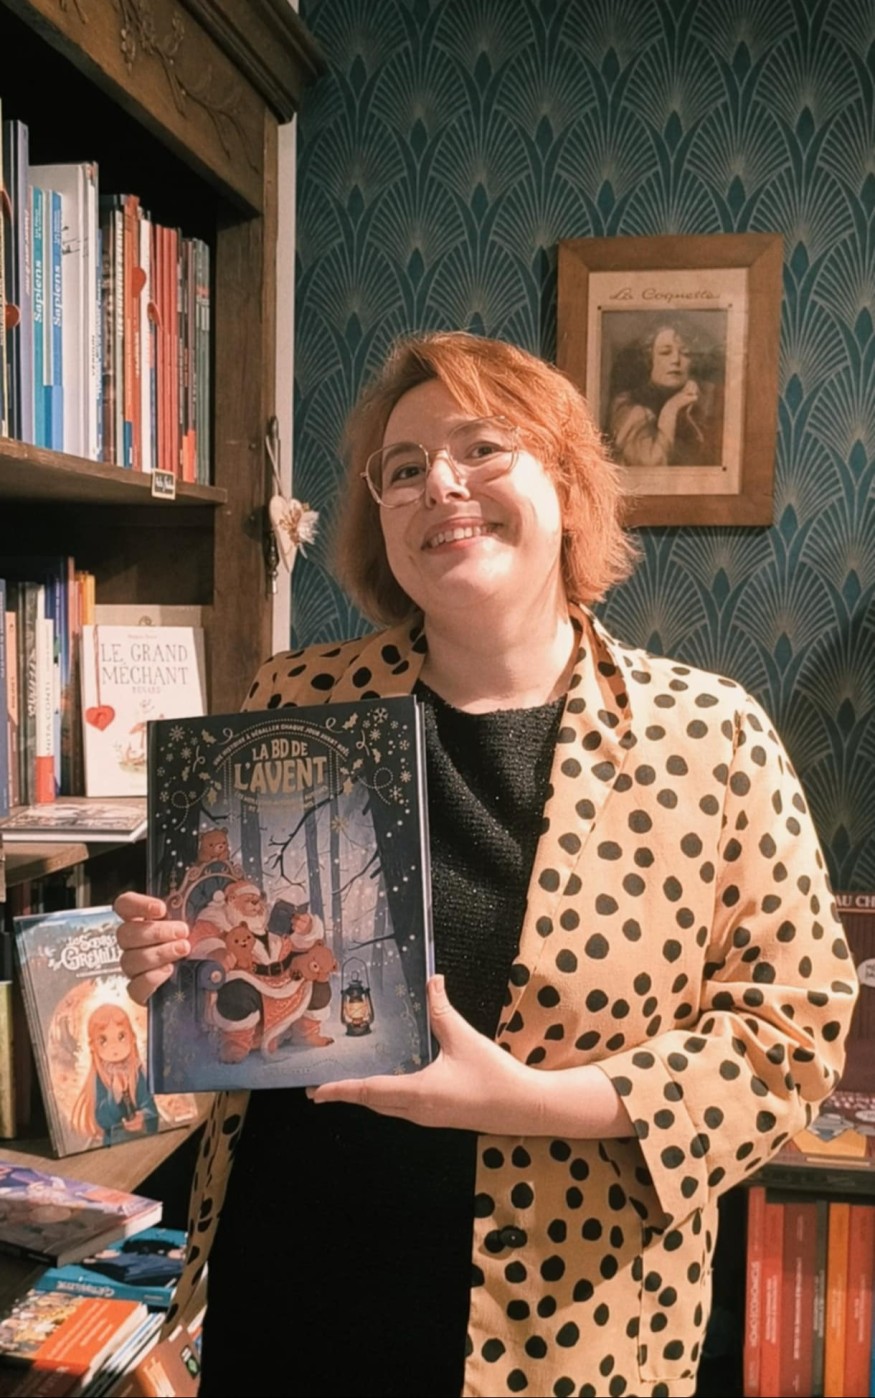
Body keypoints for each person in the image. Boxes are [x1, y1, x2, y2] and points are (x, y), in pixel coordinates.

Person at [114, 330, 856, 1398]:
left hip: (563, 1331)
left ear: (566, 481)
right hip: (292, 1293)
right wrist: (175, 962)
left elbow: (792, 1038)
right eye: (404, 468)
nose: (440, 486)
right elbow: (244, 972)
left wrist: (531, 1102)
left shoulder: (710, 736)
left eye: (481, 449)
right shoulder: (296, 698)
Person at [607, 319, 724, 467]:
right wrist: (671, 408)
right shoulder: (628, 406)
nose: (675, 360)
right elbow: (651, 466)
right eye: (665, 353)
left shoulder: (705, 401)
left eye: (685, 353)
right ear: (649, 359)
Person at [70, 1003, 159, 1147]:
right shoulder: (100, 1077)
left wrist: (143, 1118)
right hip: (116, 1143)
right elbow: (102, 1119)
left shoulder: (137, 1071)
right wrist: (115, 1095)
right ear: (93, 1046)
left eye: (121, 1036)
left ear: (132, 1037)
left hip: (143, 1141)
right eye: (103, 1040)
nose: (114, 1046)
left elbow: (149, 1106)